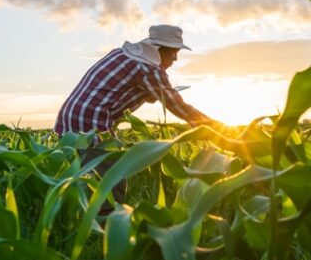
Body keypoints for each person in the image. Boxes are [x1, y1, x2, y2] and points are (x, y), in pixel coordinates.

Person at [54, 24, 218, 209]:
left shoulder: (123, 55)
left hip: (71, 118)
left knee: (85, 175)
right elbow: (178, 106)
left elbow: (119, 89)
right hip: (91, 123)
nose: (175, 58)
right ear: (158, 49)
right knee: (111, 177)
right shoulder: (149, 68)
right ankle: (106, 227)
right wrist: (215, 128)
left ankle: (78, 216)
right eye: (173, 52)